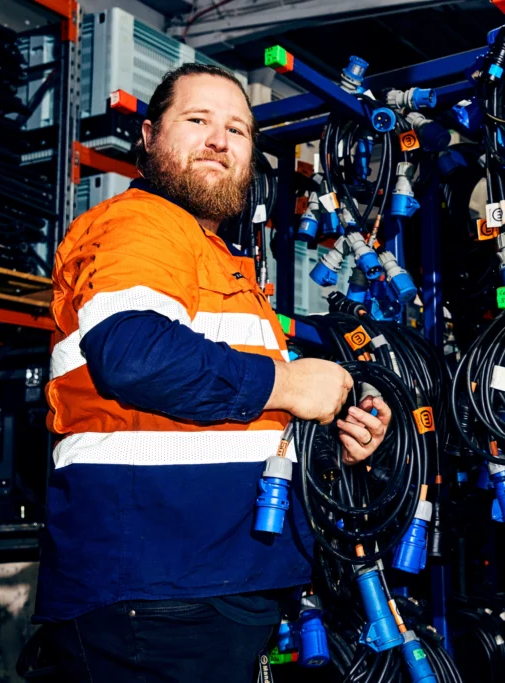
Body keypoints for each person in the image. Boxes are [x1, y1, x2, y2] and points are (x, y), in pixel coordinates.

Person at [35, 63, 390, 682]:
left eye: (237, 129)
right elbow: (136, 356)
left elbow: (227, 419)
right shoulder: (139, 226)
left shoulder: (213, 258)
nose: (219, 141)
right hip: (156, 592)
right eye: (197, 120)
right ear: (149, 136)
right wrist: (290, 384)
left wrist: (331, 446)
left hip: (213, 584)